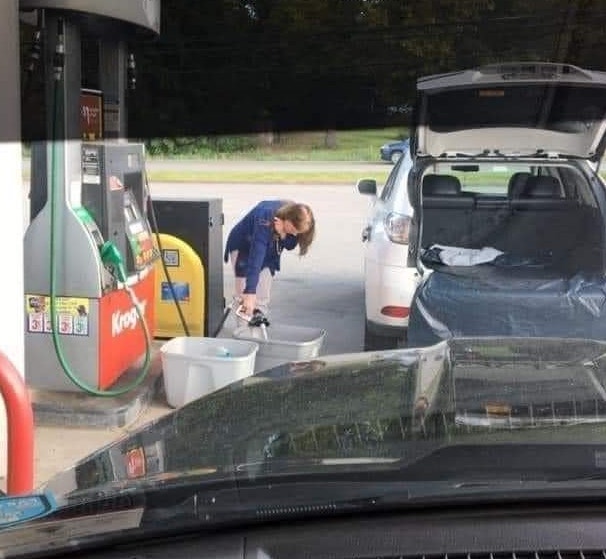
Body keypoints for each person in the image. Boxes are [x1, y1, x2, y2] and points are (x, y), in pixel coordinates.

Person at [223, 200, 315, 318]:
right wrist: (250, 292)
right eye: (293, 230)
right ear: (287, 219)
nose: (295, 235)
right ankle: (243, 331)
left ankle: (258, 330)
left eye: (298, 233)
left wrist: (283, 234)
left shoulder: (299, 219)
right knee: (245, 295)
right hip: (244, 246)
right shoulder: (265, 218)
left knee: (262, 296)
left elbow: (290, 244)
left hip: (269, 250)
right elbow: (256, 257)